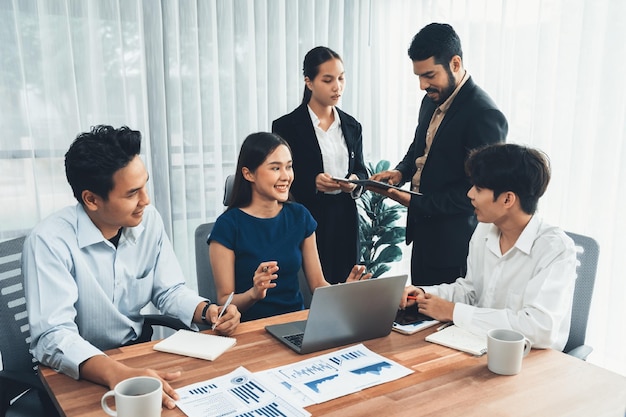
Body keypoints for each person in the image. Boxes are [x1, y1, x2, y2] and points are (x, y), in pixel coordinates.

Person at [22, 125, 241, 410]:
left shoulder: (148, 221)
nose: (146, 201)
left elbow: (169, 290)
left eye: (145, 185)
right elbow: (54, 337)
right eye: (132, 193)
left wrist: (208, 312)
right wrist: (118, 374)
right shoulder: (49, 242)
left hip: (133, 356)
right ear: (91, 199)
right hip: (75, 372)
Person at [400, 143, 577, 350]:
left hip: (532, 362)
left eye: (479, 188)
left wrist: (453, 311)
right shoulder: (484, 230)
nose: (470, 194)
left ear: (507, 199)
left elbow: (539, 329)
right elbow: (471, 291)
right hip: (479, 345)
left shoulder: (556, 249)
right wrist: (425, 294)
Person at [370, 23, 508, 286]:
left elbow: (479, 193)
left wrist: (413, 201)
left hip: (453, 247)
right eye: (418, 76)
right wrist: (400, 172)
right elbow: (419, 149)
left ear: (455, 64)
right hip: (423, 236)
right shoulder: (431, 98)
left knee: (442, 325)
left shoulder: (485, 115)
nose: (423, 85)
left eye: (429, 75)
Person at [208, 132, 370, 322]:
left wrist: (343, 292)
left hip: (296, 324)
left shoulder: (299, 216)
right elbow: (224, 301)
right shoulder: (227, 226)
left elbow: (318, 284)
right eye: (275, 168)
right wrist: (254, 293)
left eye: (289, 167)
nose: (286, 176)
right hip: (248, 330)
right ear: (248, 174)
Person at [272, 46, 368, 284]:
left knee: (347, 289)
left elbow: (362, 171)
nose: (337, 87)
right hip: (309, 216)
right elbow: (277, 175)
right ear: (309, 82)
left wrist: (355, 182)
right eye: (328, 80)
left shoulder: (352, 125)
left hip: (345, 217)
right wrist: (312, 182)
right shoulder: (286, 126)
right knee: (311, 288)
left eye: (341, 78)